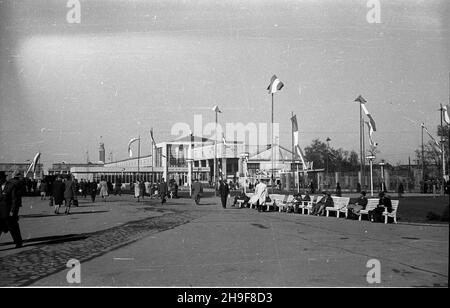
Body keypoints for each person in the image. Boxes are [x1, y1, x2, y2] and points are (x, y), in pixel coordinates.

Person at [0, 170, 24, 248]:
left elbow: (14, 200)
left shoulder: (11, 186)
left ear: (3, 178)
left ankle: (18, 242)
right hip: (0, 212)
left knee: (13, 228)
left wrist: (12, 211)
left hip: (8, 211)